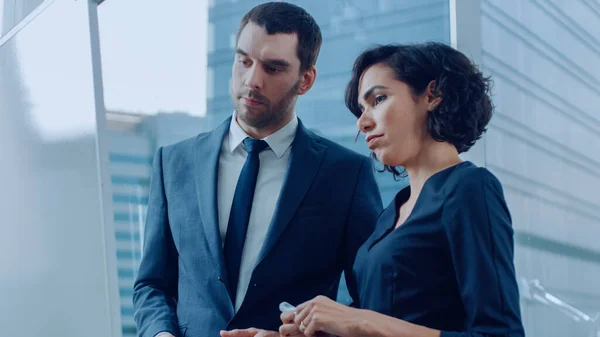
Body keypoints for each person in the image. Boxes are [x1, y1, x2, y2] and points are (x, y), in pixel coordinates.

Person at [132, 2, 383, 337]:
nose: (252, 80)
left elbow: (371, 302)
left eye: (273, 68)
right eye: (244, 61)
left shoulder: (346, 175)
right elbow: (151, 284)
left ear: (305, 80)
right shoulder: (173, 163)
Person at [280, 43, 526, 337]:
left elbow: (501, 334)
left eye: (379, 99)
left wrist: (362, 320)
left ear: (432, 95)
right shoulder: (390, 214)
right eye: (361, 109)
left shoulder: (470, 189)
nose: (363, 122)